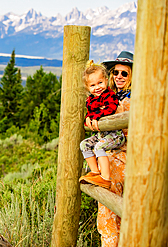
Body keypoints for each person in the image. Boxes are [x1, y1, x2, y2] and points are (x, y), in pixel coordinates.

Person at [96, 51, 133, 246]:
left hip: (124, 158)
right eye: (115, 72)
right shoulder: (112, 97)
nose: (118, 76)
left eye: (124, 73)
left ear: (132, 77)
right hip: (115, 157)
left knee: (109, 209)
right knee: (113, 208)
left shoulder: (133, 99)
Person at [78, 60, 125, 189]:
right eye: (93, 85)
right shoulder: (91, 100)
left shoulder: (110, 96)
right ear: (87, 87)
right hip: (102, 134)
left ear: (106, 80)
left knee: (99, 147)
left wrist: (96, 115)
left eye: (100, 83)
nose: (97, 87)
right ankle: (95, 172)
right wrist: (88, 117)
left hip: (115, 135)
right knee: (84, 144)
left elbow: (110, 108)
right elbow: (91, 113)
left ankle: (105, 178)